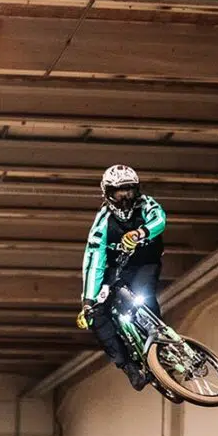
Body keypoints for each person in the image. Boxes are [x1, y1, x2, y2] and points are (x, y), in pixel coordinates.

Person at [76, 164, 167, 390]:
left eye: (129, 190)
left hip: (146, 262)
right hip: (118, 268)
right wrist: (88, 301)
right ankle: (129, 368)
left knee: (142, 292)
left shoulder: (145, 204)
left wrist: (140, 233)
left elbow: (160, 219)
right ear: (108, 194)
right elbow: (94, 261)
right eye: (119, 192)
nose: (125, 197)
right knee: (96, 316)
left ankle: (159, 340)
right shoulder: (102, 223)